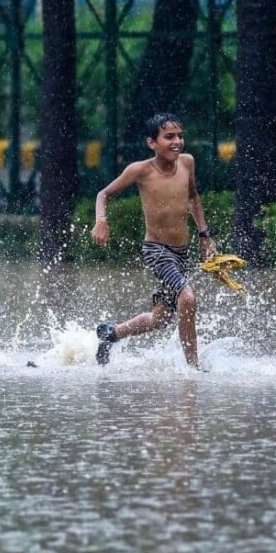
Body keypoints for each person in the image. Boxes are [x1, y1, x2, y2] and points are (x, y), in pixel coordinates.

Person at [91, 113, 217, 369]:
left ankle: (110, 334)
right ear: (152, 143)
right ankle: (194, 369)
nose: (177, 142)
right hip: (156, 250)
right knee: (188, 299)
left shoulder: (187, 163)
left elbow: (193, 197)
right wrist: (101, 221)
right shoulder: (140, 170)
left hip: (183, 252)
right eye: (169, 137)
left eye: (180, 136)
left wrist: (204, 235)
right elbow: (103, 194)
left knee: (160, 320)